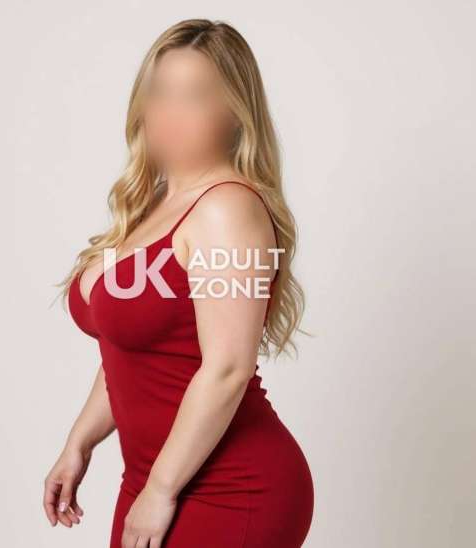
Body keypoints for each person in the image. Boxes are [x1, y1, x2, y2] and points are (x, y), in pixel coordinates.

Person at [43, 18, 314, 548]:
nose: (169, 113)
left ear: (234, 113)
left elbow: (228, 368)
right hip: (152, 477)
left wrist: (162, 489)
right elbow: (129, 349)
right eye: (160, 92)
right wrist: (80, 441)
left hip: (231, 485)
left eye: (194, 97)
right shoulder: (150, 208)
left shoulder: (227, 208)